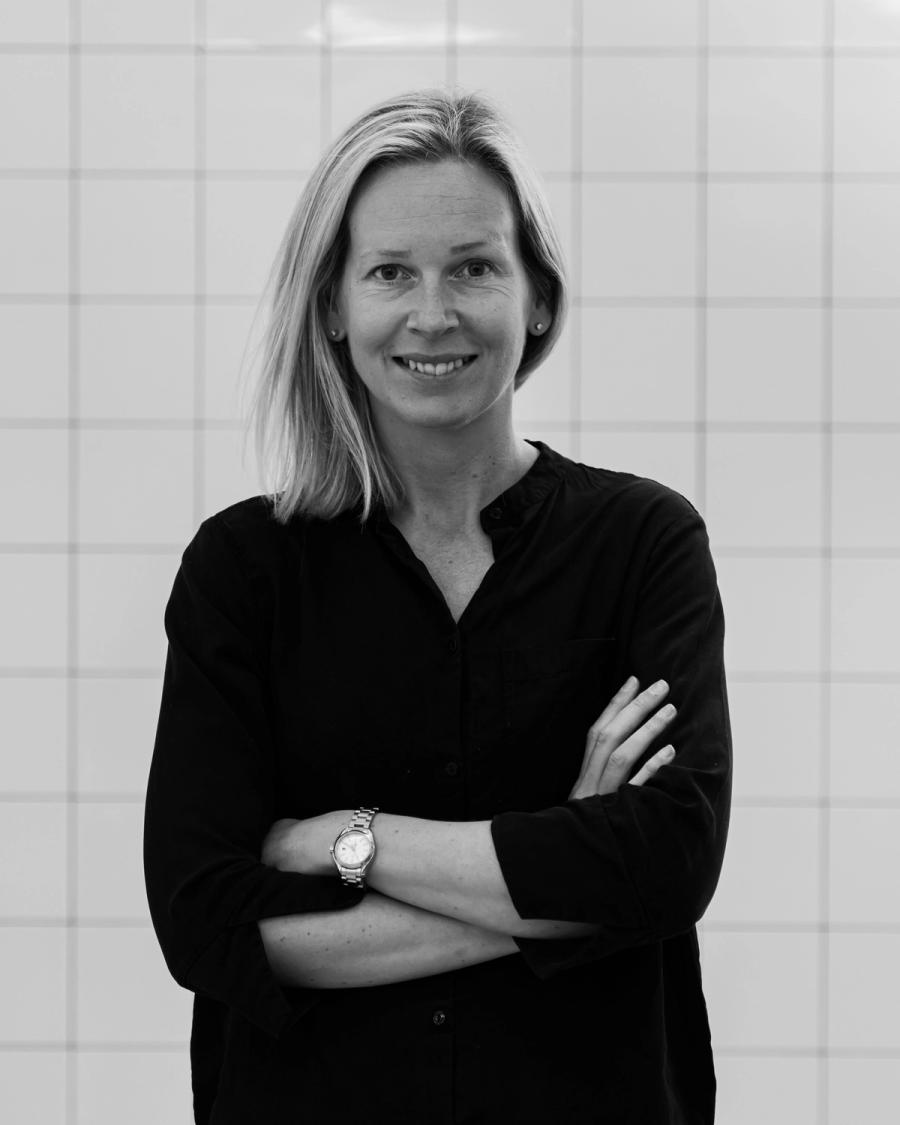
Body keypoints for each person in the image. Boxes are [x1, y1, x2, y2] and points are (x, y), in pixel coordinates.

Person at [143, 89, 731, 1124]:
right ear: (333, 307)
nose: (432, 313)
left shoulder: (644, 543)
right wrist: (567, 885)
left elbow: (669, 860)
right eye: (390, 273)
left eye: (473, 267)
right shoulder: (244, 570)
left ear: (537, 296)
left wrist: (346, 840)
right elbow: (206, 921)